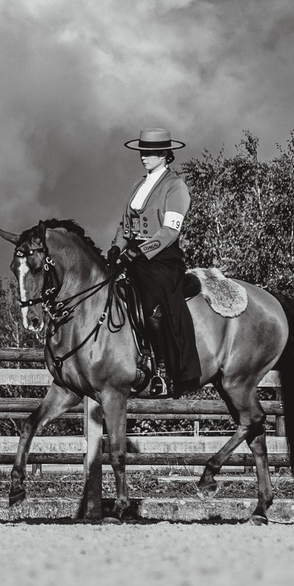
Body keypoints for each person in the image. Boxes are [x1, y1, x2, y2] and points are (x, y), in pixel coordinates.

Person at [110, 128, 202, 396]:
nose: (143, 156)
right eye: (142, 151)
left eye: (149, 152)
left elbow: (170, 231)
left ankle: (162, 370)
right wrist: (116, 248)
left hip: (162, 258)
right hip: (133, 254)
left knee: (151, 298)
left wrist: (141, 252)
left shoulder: (176, 186)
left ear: (164, 155)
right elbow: (125, 225)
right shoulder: (138, 184)